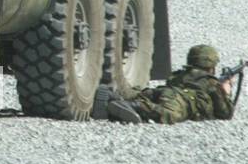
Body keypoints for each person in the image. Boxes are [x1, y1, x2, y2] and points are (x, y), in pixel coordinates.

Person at [95, 45, 236, 124]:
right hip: (180, 100)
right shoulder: (211, 83)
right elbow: (225, 114)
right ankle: (134, 106)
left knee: (142, 94)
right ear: (211, 65)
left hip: (164, 91)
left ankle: (115, 97)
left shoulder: (181, 74)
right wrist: (225, 91)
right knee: (168, 114)